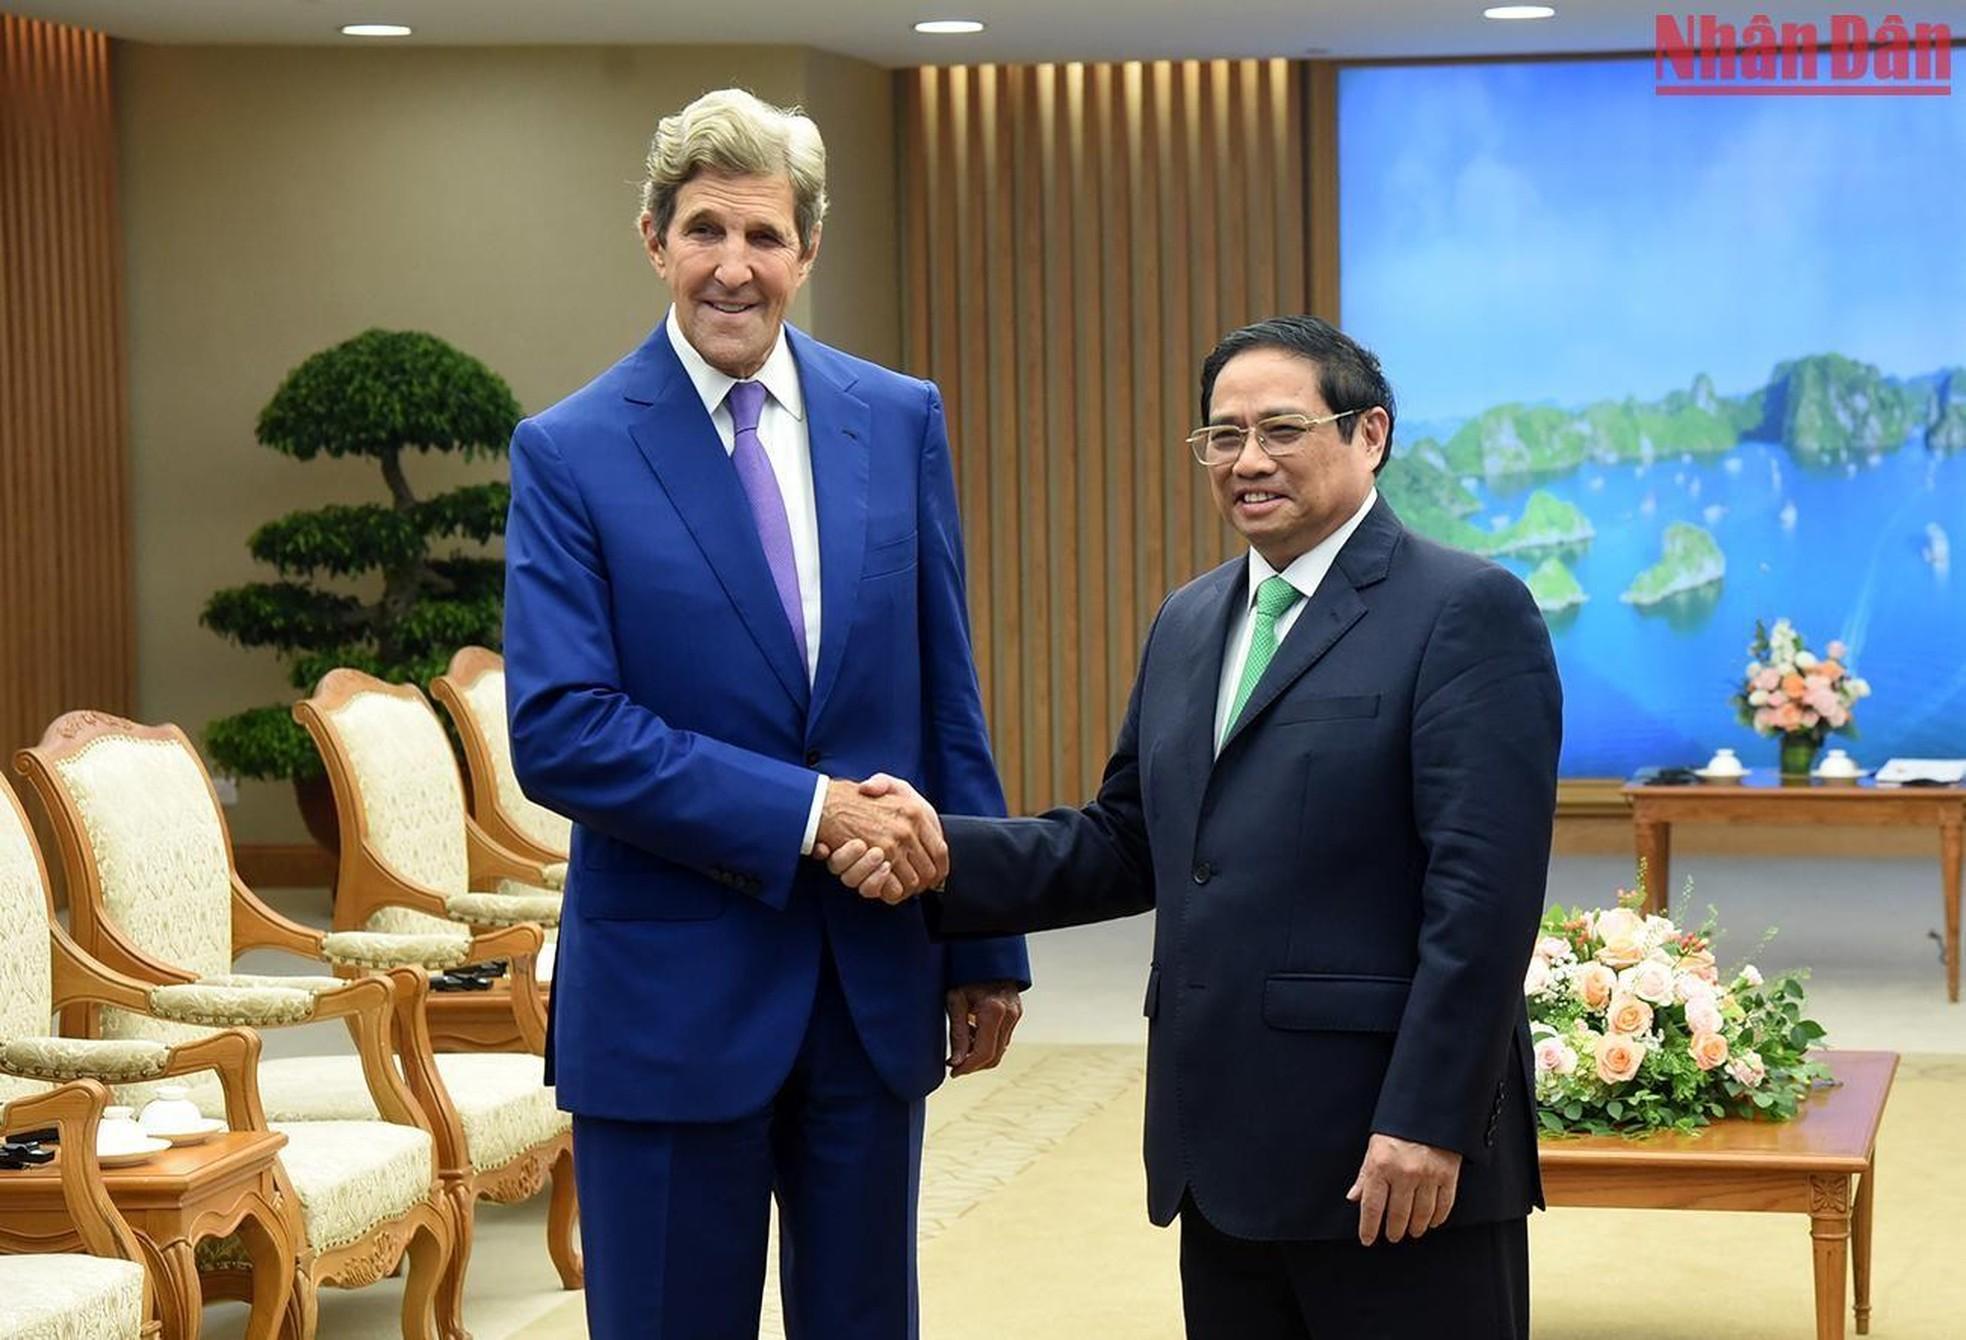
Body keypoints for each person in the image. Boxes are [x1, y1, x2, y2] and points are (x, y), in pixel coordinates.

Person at [828, 315, 1561, 1339]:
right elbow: (1127, 841)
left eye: (1281, 428)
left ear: (1370, 435)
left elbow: (1481, 902)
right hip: (1216, 1150)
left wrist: (1429, 1120)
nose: (1246, 460)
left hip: (1388, 1157)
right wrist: (941, 848)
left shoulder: (1466, 609)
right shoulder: (1188, 621)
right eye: (1221, 436)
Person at [502, 87, 1030, 1340]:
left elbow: (941, 688)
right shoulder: (569, 450)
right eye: (702, 232)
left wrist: (985, 937)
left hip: (870, 980)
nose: (732, 268)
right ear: (651, 239)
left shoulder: (896, 419)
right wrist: (809, 811)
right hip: (668, 998)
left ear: (807, 250)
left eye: (763, 236)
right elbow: (564, 726)